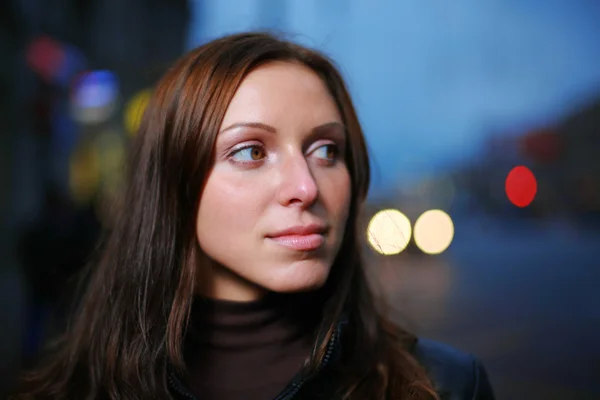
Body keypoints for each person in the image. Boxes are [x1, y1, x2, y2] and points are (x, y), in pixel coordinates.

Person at [10, 32, 495, 400]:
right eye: (250, 152)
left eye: (327, 149)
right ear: (173, 183)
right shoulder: (70, 390)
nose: (306, 187)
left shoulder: (445, 386)